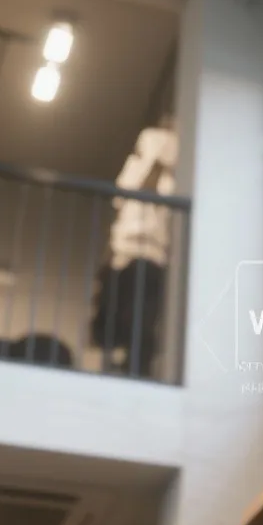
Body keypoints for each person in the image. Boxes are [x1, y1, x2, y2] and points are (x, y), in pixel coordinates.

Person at [91, 125, 177, 376]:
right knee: (113, 313)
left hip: (152, 256)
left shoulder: (170, 180)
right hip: (124, 252)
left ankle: (136, 367)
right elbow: (120, 199)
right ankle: (118, 362)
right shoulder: (136, 170)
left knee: (141, 316)